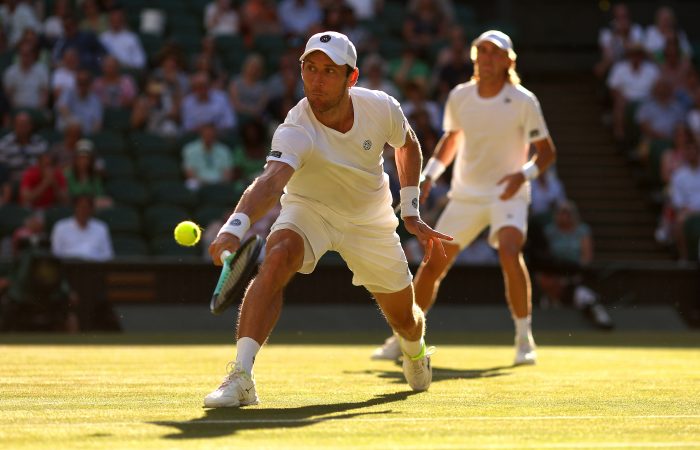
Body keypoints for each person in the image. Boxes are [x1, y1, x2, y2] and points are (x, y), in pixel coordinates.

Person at [203, 31, 451, 408]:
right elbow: (270, 182)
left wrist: (411, 209)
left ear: (351, 78)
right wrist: (234, 226)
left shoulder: (381, 108)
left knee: (405, 320)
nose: (317, 79)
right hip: (310, 209)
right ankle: (241, 376)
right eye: (310, 68)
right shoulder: (296, 128)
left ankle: (415, 351)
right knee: (277, 256)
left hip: (370, 219)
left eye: (329, 71)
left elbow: (408, 144)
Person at [371, 30, 556, 366]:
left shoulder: (524, 101)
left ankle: (523, 338)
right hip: (466, 195)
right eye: (481, 51)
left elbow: (546, 153)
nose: (486, 57)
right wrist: (429, 176)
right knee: (431, 266)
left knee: (511, 252)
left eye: (494, 52)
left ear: (507, 61)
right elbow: (452, 140)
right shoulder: (460, 96)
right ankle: (403, 336)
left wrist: (522, 175)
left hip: (507, 194)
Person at [51, 194, 113, 261]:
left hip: (94, 267)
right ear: (75, 208)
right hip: (68, 267)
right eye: (80, 207)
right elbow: (56, 253)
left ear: (91, 209)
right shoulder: (60, 227)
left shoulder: (101, 228)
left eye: (86, 207)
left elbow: (107, 255)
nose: (83, 210)